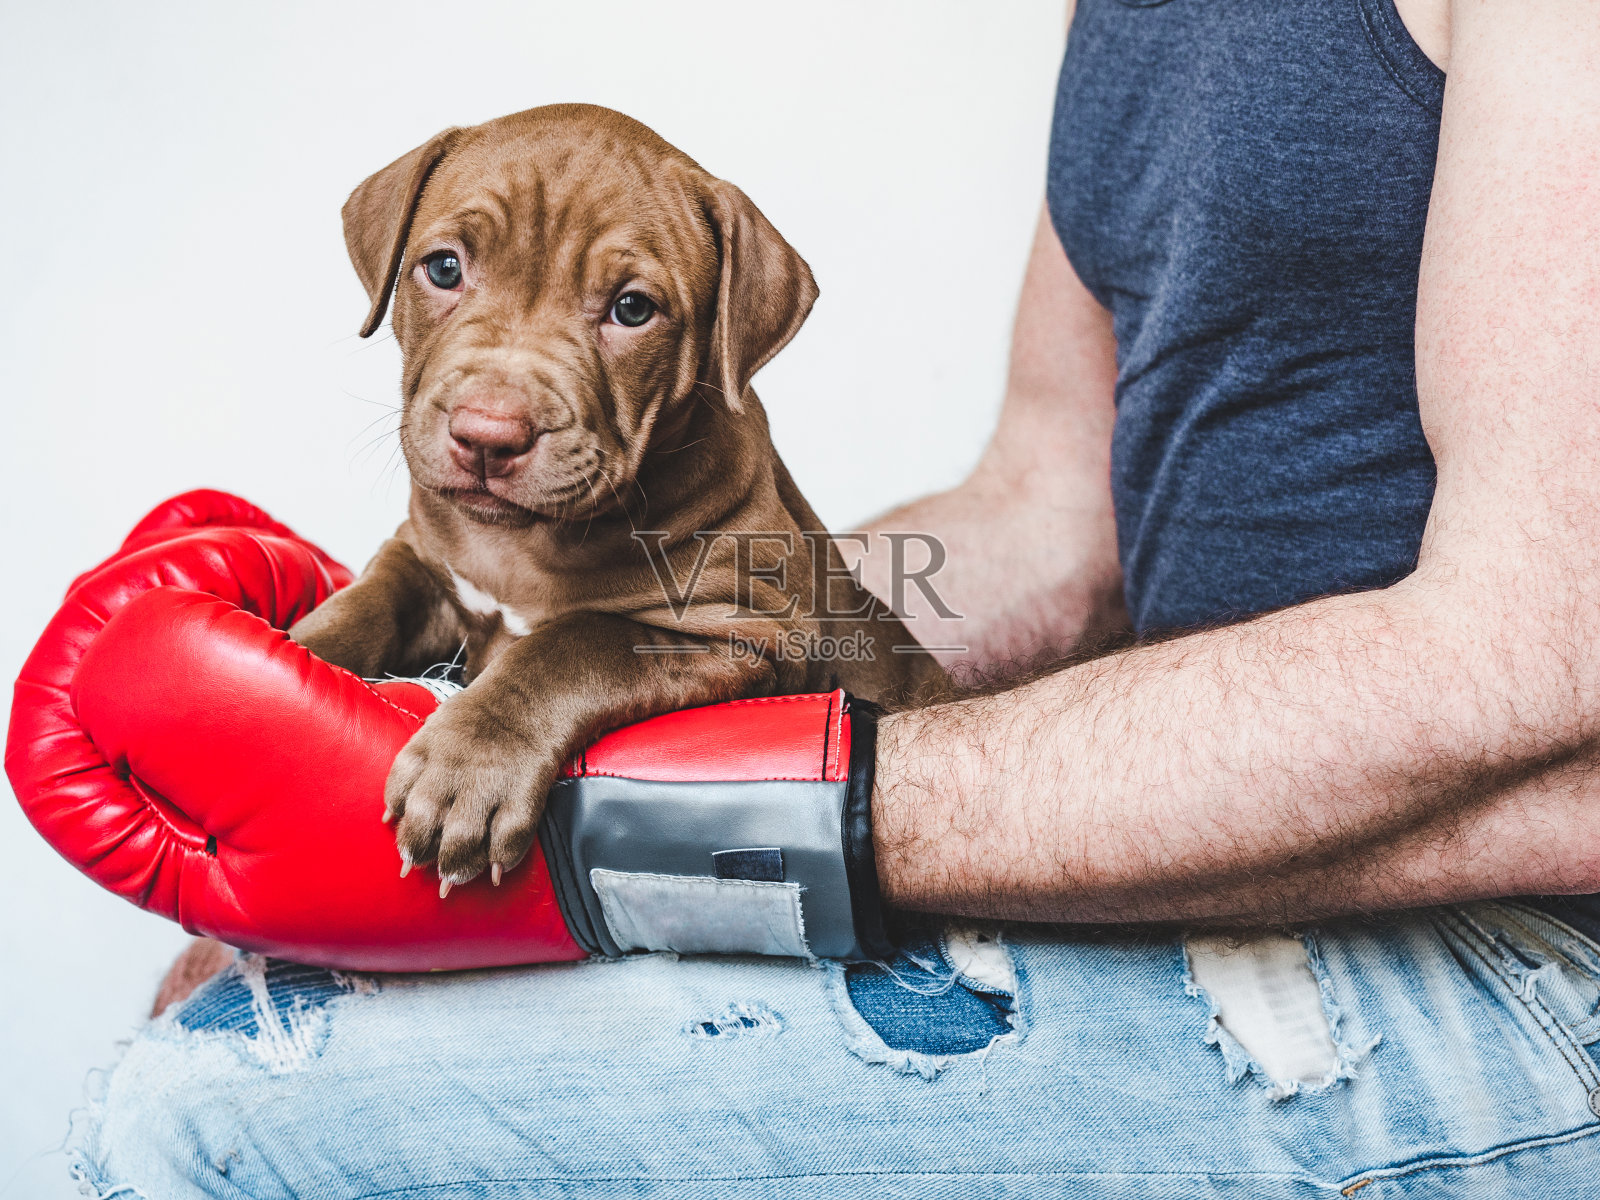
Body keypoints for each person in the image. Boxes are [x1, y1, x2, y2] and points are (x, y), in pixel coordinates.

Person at [73, 1, 1600, 1196]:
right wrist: (349, 763)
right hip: (1175, 875)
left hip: (1511, 955)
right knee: (243, 1013)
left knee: (204, 1120)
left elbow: (1531, 662)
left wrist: (661, 825)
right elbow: (1050, 521)